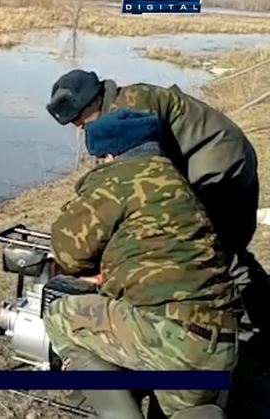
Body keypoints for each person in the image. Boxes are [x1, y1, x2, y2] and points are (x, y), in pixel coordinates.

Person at [43, 110, 240, 419]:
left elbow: (68, 254)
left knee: (59, 317)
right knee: (185, 406)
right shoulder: (177, 183)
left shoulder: (118, 180)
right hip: (222, 344)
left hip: (170, 339)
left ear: (109, 155)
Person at [45, 69, 267, 337]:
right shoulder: (122, 103)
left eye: (79, 120)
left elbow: (142, 180)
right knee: (229, 251)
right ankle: (255, 319)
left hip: (216, 169)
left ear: (93, 101)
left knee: (207, 247)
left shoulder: (131, 107)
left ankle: (228, 330)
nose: (78, 128)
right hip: (230, 160)